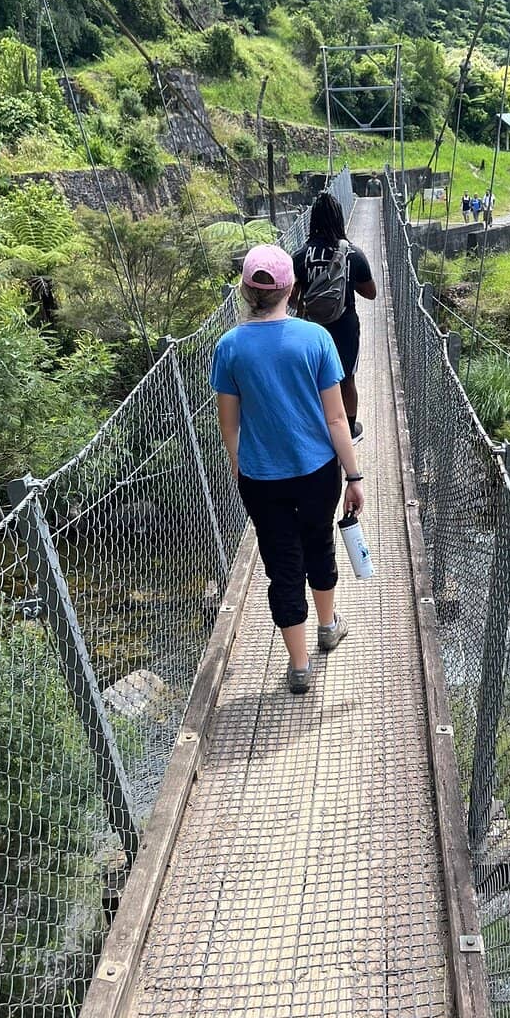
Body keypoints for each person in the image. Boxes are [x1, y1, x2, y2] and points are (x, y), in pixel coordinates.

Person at [211, 245, 364, 695]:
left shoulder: (230, 347)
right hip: (317, 471)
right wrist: (354, 478)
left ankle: (299, 668)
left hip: (261, 479)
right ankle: (327, 627)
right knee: (318, 543)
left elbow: (229, 425)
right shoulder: (316, 339)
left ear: (244, 291)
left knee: (281, 563)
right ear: (292, 288)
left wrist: (243, 469)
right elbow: (337, 420)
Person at [292, 192, 377, 445]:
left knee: (313, 377)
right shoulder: (353, 254)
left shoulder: (300, 256)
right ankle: (349, 428)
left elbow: (289, 297)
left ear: (312, 220)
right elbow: (371, 293)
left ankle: (316, 426)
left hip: (310, 327)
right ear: (339, 219)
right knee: (346, 377)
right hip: (344, 326)